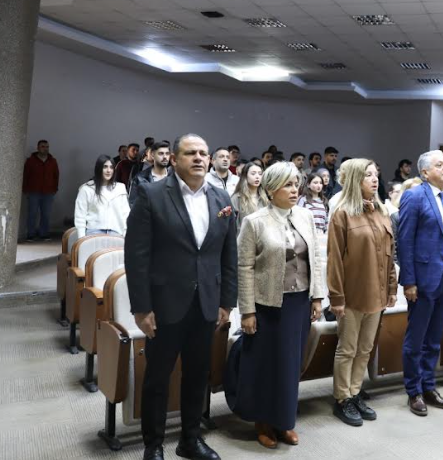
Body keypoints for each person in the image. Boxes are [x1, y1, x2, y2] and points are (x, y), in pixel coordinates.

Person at [124, 134, 237, 460]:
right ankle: (153, 445)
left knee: (198, 376)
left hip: (206, 304)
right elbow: (136, 256)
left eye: (203, 153)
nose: (199, 158)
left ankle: (190, 439)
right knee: (158, 378)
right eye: (190, 153)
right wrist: (141, 308)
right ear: (174, 159)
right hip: (164, 305)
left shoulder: (221, 197)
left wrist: (227, 301)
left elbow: (228, 254)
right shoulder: (152, 195)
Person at [232, 162, 325, 449]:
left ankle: (284, 421)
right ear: (271, 190)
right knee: (266, 364)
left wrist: (317, 296)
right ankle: (263, 421)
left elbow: (315, 257)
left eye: (296, 184)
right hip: (268, 305)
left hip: (298, 303)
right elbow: (244, 267)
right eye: (288, 185)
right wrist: (247, 310)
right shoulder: (255, 221)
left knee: (291, 364)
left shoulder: (305, 216)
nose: (295, 189)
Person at [397, 150, 443, 417]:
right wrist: (409, 281)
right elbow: (405, 241)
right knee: (416, 340)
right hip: (423, 280)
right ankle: (413, 391)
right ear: (425, 173)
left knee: (434, 340)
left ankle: (429, 386)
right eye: (439, 165)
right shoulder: (415, 196)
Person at [327, 159, 397, 426]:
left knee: (365, 348)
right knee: (347, 349)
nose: (374, 179)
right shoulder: (342, 213)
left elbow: (390, 255)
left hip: (378, 293)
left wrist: (392, 288)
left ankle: (355, 392)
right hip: (352, 293)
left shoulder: (382, 212)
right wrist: (336, 296)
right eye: (368, 175)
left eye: (375, 174)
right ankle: (342, 398)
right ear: (356, 179)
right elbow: (334, 259)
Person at [74, 156, 130, 238]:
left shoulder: (120, 188)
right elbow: (80, 216)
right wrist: (81, 238)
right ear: (99, 168)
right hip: (94, 232)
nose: (108, 170)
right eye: (105, 167)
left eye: (111, 167)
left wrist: (126, 235)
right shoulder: (86, 189)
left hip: (116, 233)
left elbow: (126, 214)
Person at [22, 139, 60, 241]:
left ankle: (44, 233)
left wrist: (54, 188)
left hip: (48, 192)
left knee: (46, 214)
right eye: (43, 147)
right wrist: (25, 189)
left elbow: (56, 176)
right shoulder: (30, 161)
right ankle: (31, 234)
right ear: (38, 148)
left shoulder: (52, 161)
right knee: (32, 213)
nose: (45, 149)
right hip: (33, 191)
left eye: (47, 147)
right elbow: (26, 175)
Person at [130, 141, 173, 206]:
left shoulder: (175, 176)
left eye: (167, 153)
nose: (165, 157)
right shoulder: (140, 178)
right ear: (153, 155)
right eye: (161, 153)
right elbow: (133, 203)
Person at [230, 162, 267, 230]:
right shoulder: (237, 198)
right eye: (253, 173)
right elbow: (231, 224)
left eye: (260, 174)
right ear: (245, 176)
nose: (257, 177)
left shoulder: (266, 197)